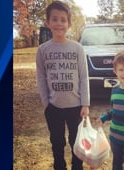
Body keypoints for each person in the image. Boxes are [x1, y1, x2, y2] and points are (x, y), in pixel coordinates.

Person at [36, 1, 90, 170]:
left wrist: (85, 103)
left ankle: (77, 166)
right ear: (48, 23)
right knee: (57, 140)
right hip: (53, 107)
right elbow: (41, 77)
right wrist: (46, 102)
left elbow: (83, 76)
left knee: (76, 140)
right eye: (55, 19)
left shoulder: (77, 48)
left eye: (63, 20)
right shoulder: (43, 50)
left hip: (76, 106)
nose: (59, 23)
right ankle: (59, 165)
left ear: (69, 24)